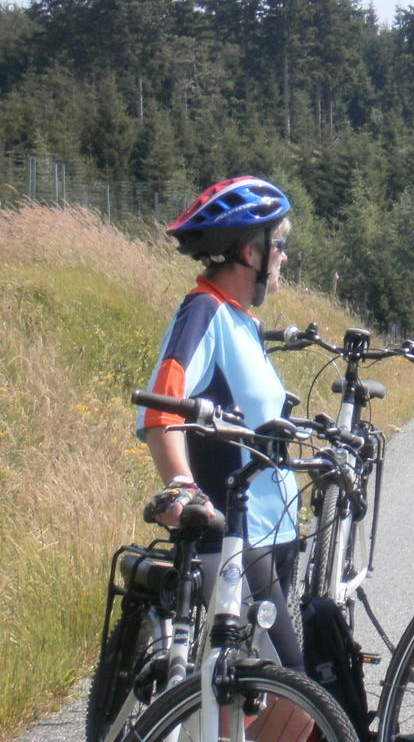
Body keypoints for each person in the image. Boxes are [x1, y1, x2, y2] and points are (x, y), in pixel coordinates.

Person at [136, 176, 307, 690]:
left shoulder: (242, 321)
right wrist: (183, 484)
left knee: (247, 699)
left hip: (270, 534)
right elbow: (160, 412)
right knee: (294, 697)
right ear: (250, 252)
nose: (282, 257)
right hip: (235, 539)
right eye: (278, 244)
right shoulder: (203, 312)